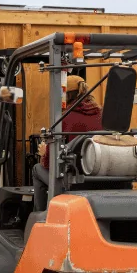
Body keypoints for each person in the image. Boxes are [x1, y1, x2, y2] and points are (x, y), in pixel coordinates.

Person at [32, 75, 103, 211]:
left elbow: (51, 164)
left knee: (37, 169)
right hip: (99, 177)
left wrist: (45, 152)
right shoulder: (102, 114)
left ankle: (41, 216)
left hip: (73, 180)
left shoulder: (65, 119)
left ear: (66, 95)